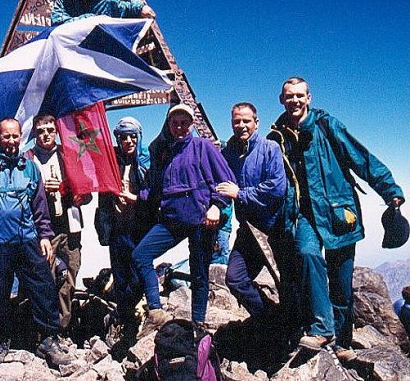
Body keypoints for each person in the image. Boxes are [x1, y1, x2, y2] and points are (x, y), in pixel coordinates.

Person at [268, 77, 405, 360]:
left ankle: (342, 343)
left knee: (341, 282)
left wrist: (389, 190)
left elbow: (360, 157)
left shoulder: (327, 126)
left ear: (309, 98)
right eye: (289, 96)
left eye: (299, 95)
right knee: (307, 254)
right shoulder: (277, 136)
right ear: (281, 100)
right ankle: (322, 328)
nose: (294, 100)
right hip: (303, 215)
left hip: (338, 214)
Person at [0, 118, 71, 367]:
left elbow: (39, 205)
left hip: (27, 237)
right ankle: (0, 340)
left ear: (21, 136)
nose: (11, 141)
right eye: (6, 136)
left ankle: (48, 339)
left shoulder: (29, 167)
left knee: (43, 285)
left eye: (15, 136)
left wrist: (44, 235)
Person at [132, 104, 236, 336]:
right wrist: (135, 197)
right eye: (174, 123)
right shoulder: (166, 152)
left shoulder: (203, 147)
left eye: (184, 123)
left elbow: (227, 181)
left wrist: (217, 206)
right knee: (141, 254)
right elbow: (157, 189)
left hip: (201, 220)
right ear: (168, 125)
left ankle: (198, 324)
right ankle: (156, 311)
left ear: (191, 125)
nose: (179, 127)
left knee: (199, 273)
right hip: (172, 219)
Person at [217, 102, 287, 321]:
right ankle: (269, 319)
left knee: (285, 282)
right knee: (235, 279)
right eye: (236, 121)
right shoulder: (228, 152)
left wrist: (240, 194)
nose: (241, 125)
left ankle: (291, 326)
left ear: (256, 123)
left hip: (274, 229)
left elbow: (277, 187)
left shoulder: (270, 148)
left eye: (246, 121)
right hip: (248, 230)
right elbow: (219, 181)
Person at [24, 114, 92, 333]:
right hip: (41, 229)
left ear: (56, 131)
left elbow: (87, 190)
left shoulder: (69, 154)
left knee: (70, 275)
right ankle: (44, 329)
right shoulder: (27, 159)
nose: (46, 135)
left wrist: (76, 193)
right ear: (34, 132)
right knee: (45, 277)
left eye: (50, 130)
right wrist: (42, 191)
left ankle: (63, 326)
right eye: (41, 130)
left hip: (69, 225)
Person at [96, 117, 150, 339]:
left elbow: (155, 192)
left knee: (138, 276)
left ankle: (135, 311)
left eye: (132, 136)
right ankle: (126, 320)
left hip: (139, 228)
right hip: (117, 227)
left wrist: (136, 198)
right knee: (120, 276)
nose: (128, 141)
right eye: (123, 137)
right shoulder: (111, 160)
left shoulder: (147, 161)